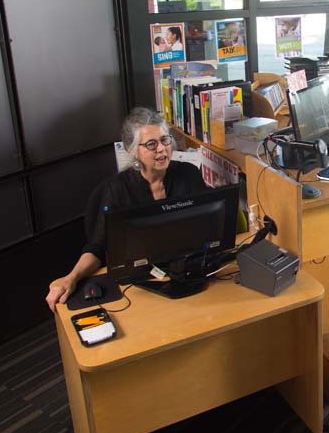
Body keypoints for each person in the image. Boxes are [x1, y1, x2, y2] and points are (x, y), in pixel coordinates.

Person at [45, 107, 207, 311]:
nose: (161, 149)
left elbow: (207, 223)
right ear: (133, 150)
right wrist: (71, 277)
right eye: (151, 144)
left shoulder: (189, 174)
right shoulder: (118, 189)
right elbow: (98, 247)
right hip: (142, 285)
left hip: (188, 273)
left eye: (165, 140)